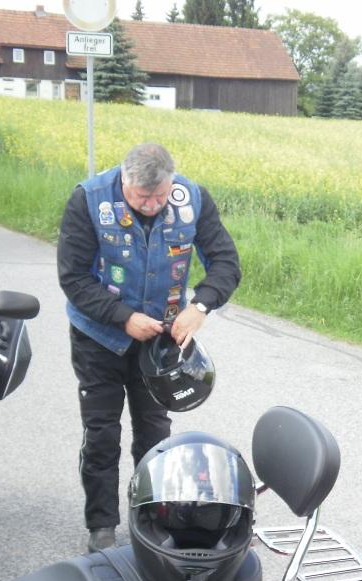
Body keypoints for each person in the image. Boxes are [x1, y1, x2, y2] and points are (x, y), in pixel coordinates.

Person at [57, 143, 241, 553]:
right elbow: (73, 278)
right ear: (124, 180)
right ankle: (102, 526)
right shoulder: (88, 200)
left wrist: (199, 307)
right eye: (143, 197)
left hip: (159, 343)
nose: (154, 205)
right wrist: (122, 316)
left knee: (155, 435)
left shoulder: (192, 199)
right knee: (102, 434)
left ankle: (151, 522)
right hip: (98, 338)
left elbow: (226, 263)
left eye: (161, 195)